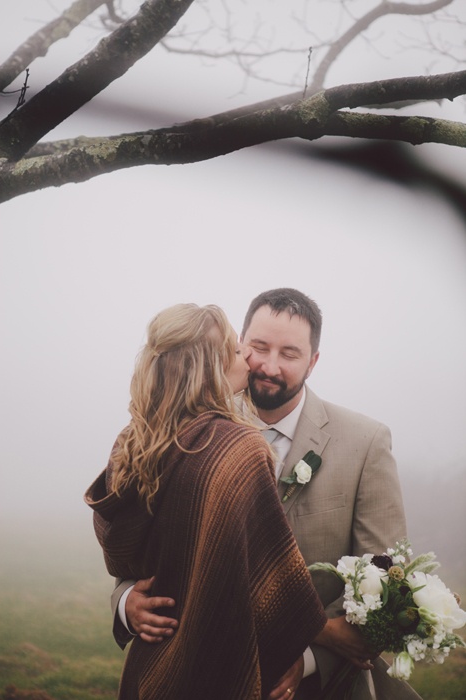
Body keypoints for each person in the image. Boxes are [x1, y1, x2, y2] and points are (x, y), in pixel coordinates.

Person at [109, 291, 422, 700]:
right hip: (194, 675)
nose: (269, 366)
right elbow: (137, 551)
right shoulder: (178, 431)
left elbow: (384, 583)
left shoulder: (365, 443)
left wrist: (306, 657)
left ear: (313, 361)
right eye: (258, 348)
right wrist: (127, 600)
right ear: (239, 345)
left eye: (289, 354)